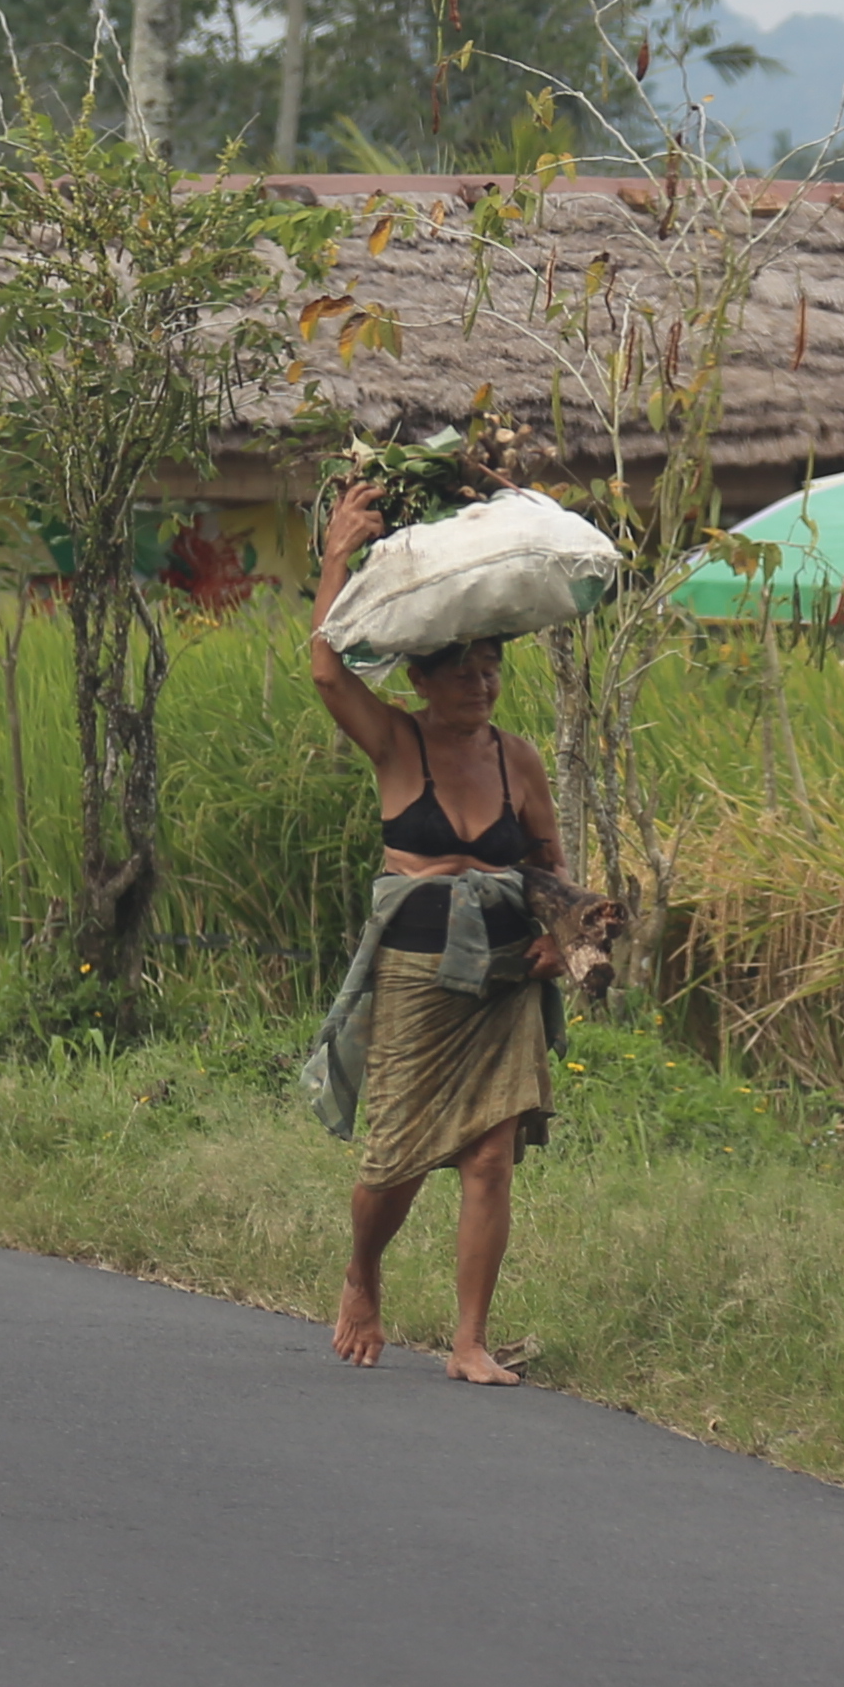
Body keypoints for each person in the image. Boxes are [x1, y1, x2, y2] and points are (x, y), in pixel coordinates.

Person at [302, 484, 564, 1383]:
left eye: (492, 671)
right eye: (463, 672)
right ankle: (363, 1274)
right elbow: (330, 671)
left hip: (501, 979)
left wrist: (559, 936)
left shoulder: (516, 759)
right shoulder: (396, 745)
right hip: (418, 976)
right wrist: (338, 554)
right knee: (398, 1156)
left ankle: (468, 1343)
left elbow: (548, 865)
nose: (481, 686)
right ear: (421, 676)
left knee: (491, 1155)